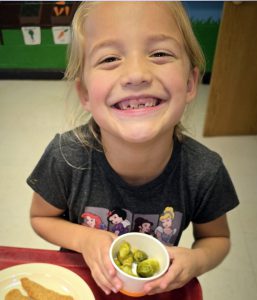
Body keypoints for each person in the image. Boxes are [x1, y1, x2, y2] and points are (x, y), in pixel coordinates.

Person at [27, 1, 239, 296]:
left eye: (160, 53)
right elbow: (41, 217)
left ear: (191, 82)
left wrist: (197, 260)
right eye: (110, 58)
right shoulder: (66, 155)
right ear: (85, 93)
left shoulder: (205, 171)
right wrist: (84, 239)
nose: (136, 74)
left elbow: (217, 239)